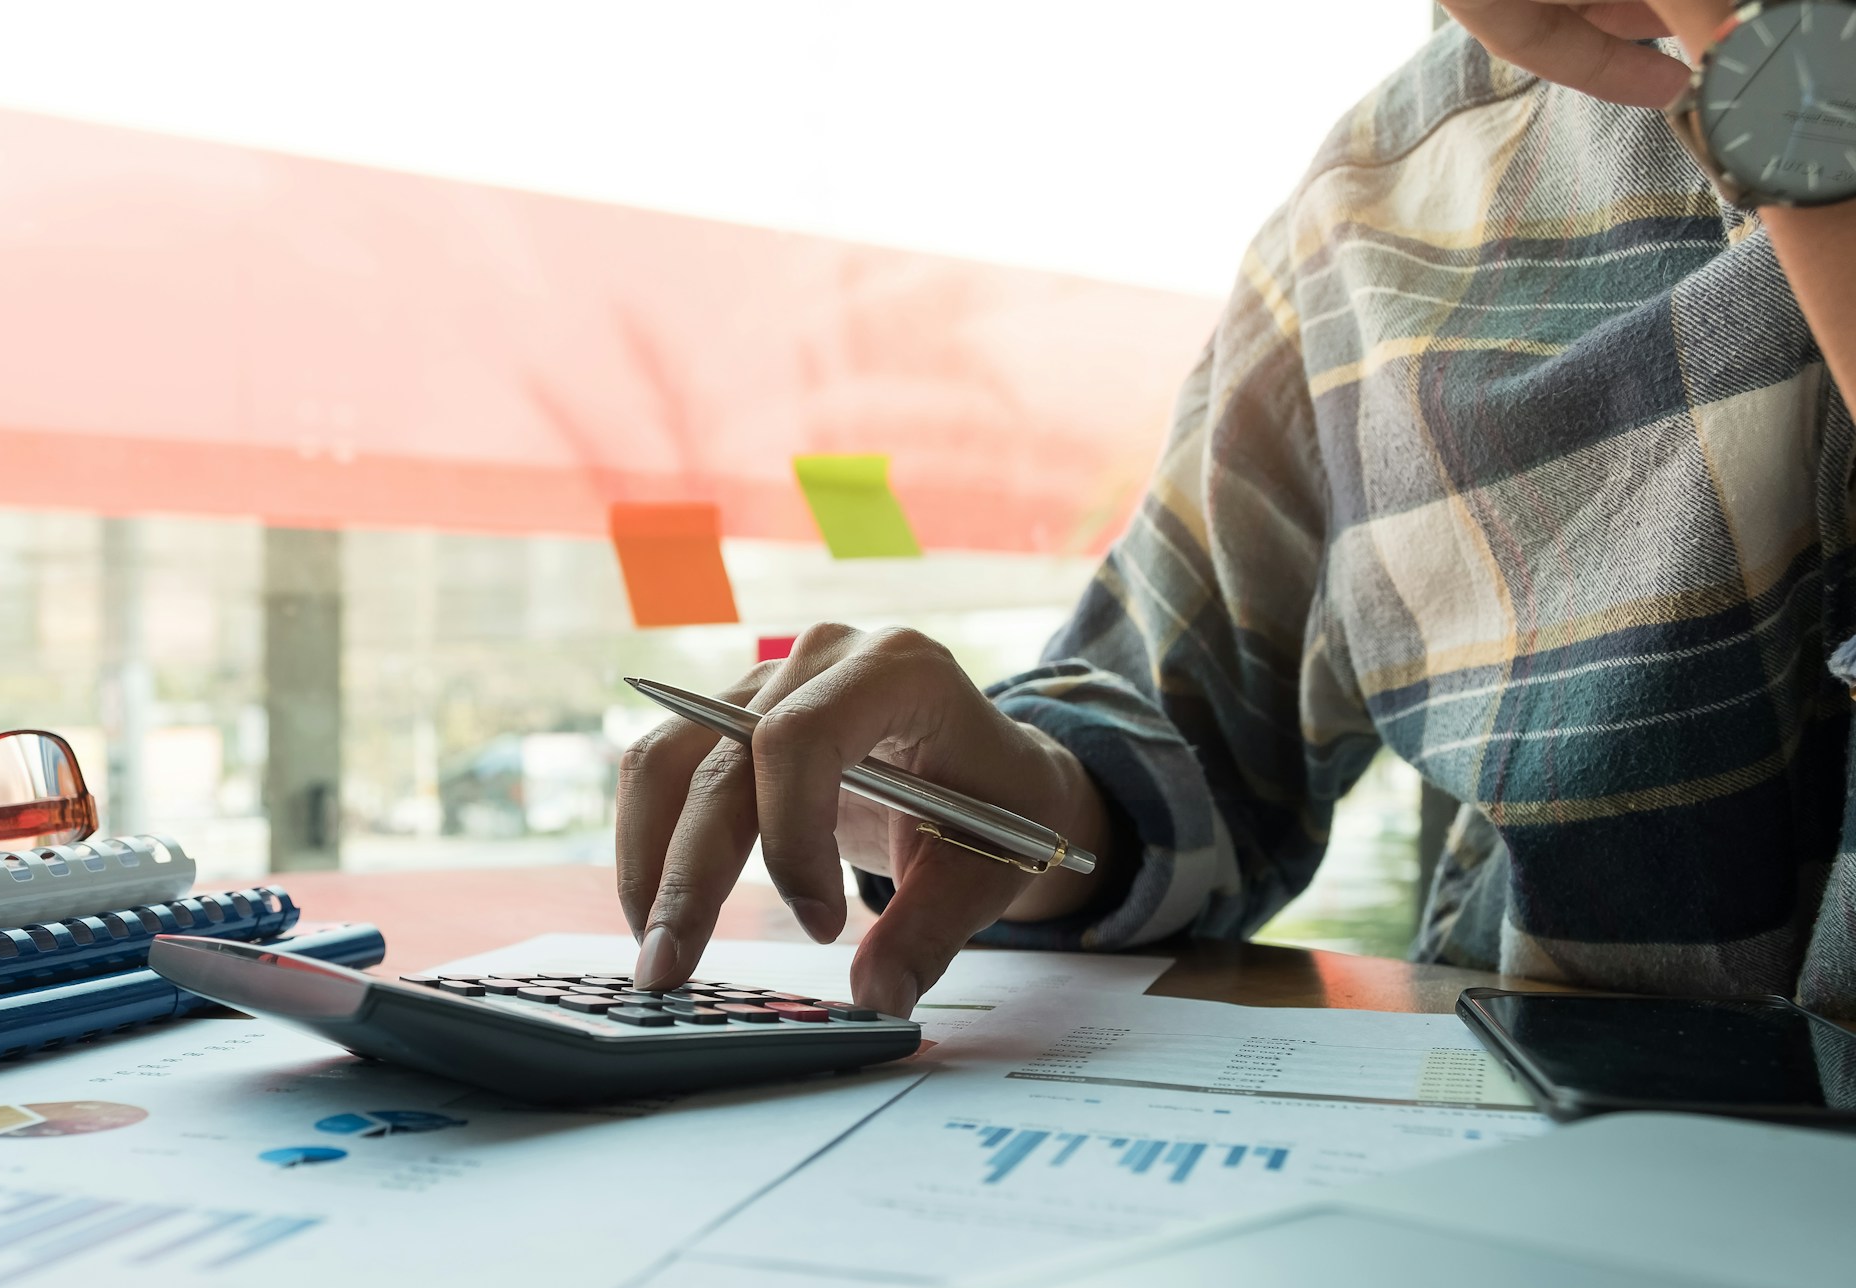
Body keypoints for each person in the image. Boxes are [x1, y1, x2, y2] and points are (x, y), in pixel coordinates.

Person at [616, 0, 1856, 1017]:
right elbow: (1187, 743)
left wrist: (1772, 65)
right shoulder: (1382, 194)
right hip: (1551, 1198)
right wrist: (1020, 796)